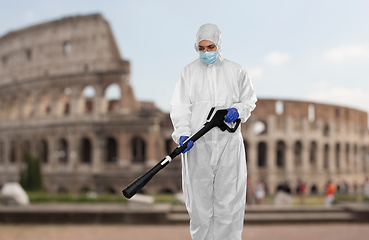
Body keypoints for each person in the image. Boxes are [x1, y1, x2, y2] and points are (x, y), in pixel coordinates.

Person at [170, 23, 257, 240]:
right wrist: (182, 132)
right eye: (202, 48)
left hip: (228, 144)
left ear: (218, 45)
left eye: (210, 47)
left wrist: (237, 110)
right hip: (198, 144)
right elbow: (179, 106)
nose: (206, 52)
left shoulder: (236, 71)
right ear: (196, 47)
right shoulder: (188, 73)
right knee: (199, 208)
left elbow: (249, 99)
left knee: (229, 205)